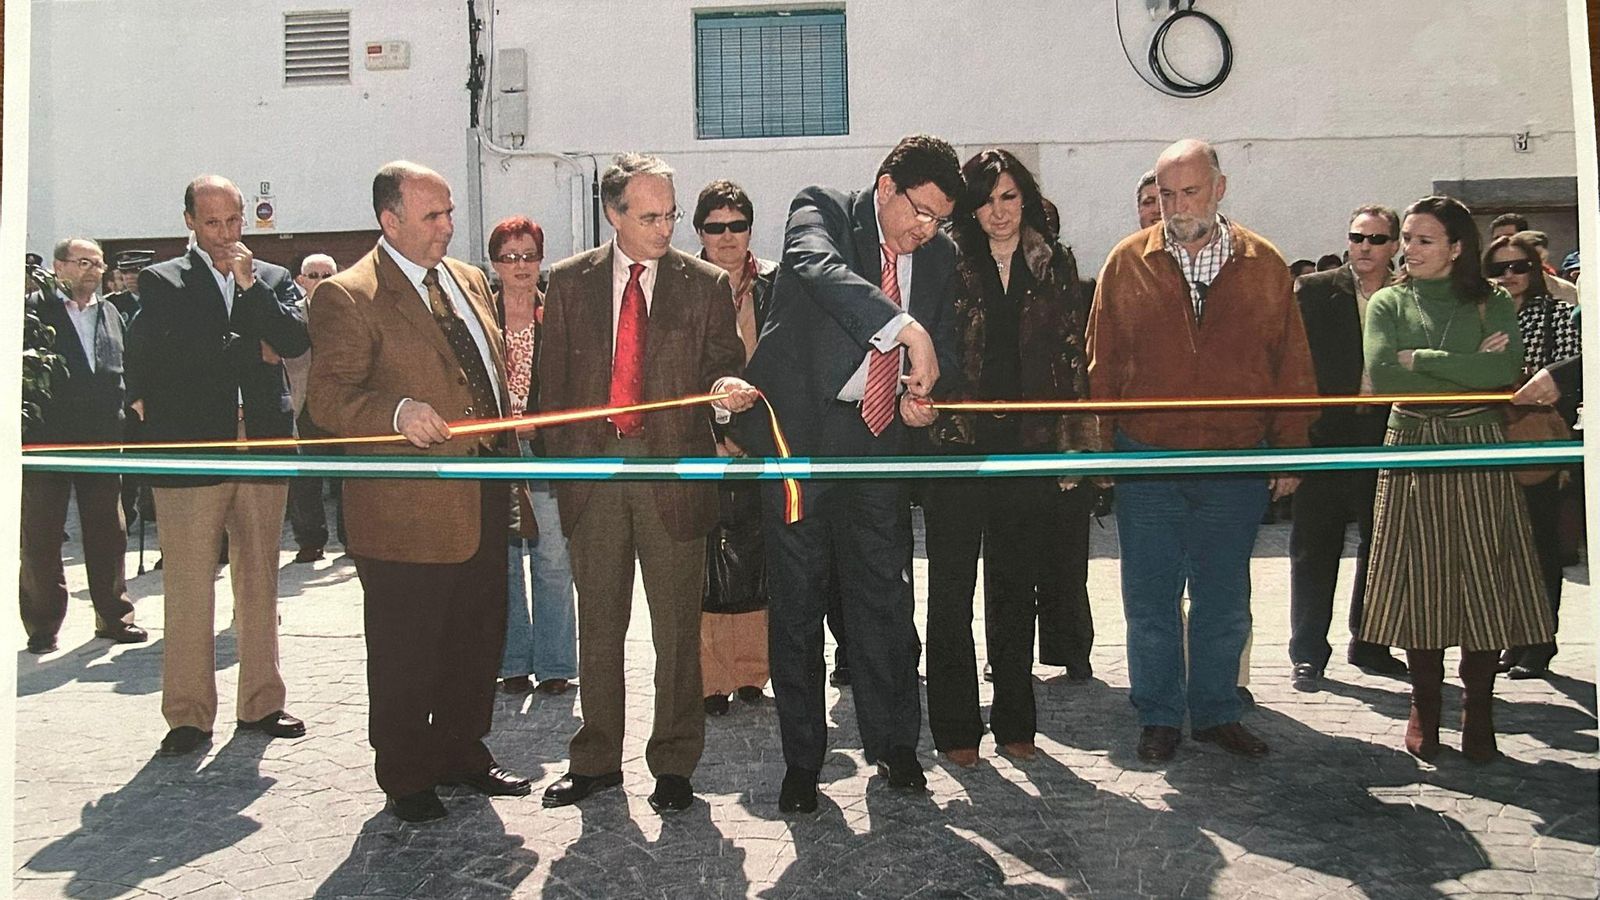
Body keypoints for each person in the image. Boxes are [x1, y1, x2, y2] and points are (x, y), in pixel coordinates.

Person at [738, 134, 963, 813]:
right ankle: (803, 763)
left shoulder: (941, 257)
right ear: (886, 187)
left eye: (939, 220)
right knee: (798, 604)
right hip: (800, 440)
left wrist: (926, 399)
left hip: (879, 440)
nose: (926, 231)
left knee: (885, 600)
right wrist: (902, 327)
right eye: (920, 212)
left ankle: (896, 747)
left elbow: (944, 348)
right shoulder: (823, 211)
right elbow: (817, 266)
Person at [307, 161, 530, 823]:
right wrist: (397, 413)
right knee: (407, 647)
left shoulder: (468, 280)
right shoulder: (348, 295)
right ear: (390, 220)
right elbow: (326, 399)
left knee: (476, 634)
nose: (447, 226)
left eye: (449, 212)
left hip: (483, 492)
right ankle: (405, 774)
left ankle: (463, 750)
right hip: (405, 511)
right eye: (432, 216)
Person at [1086, 139, 1317, 764]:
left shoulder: (1265, 264)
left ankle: (1217, 712)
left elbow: (1292, 364)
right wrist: (1100, 449)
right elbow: (1101, 365)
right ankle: (1159, 714)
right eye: (1166, 195)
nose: (1178, 206)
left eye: (1190, 192)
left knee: (1224, 597)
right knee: (1149, 598)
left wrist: (1290, 450)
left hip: (1234, 461)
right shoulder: (1126, 262)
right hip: (1147, 460)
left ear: (1220, 188)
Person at [538, 154, 755, 814]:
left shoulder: (705, 284)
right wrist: (565, 471)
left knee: (677, 633)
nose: (665, 228)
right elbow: (551, 387)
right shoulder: (568, 282)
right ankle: (596, 760)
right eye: (650, 216)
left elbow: (722, 367)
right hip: (594, 478)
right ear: (614, 213)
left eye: (670, 215)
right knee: (600, 628)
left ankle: (675, 763)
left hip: (673, 478)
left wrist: (726, 392)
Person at [1360, 195, 1554, 764]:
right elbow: (1385, 376)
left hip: (1478, 443)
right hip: (1412, 444)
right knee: (1420, 576)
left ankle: (1479, 710)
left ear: (1456, 248)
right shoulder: (1388, 301)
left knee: (1485, 574)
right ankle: (1424, 706)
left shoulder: (1492, 299)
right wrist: (1464, 363)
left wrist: (1422, 358)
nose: (1410, 249)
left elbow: (1504, 371)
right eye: (1407, 239)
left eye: (1424, 240)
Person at [922, 149, 1095, 768]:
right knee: (950, 591)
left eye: (1010, 197)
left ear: (1026, 199)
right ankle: (955, 728)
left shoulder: (1054, 262)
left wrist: (1076, 445)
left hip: (1028, 443)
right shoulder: (943, 259)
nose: (998, 212)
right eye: (986, 200)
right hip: (955, 445)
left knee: (1015, 588)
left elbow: (1072, 357)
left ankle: (1016, 719)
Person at [125, 175, 309, 757]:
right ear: (189, 222)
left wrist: (250, 290)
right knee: (187, 585)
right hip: (192, 448)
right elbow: (174, 357)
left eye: (234, 221)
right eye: (212, 223)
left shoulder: (271, 278)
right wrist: (254, 347)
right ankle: (187, 715)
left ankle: (262, 703)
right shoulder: (163, 280)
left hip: (262, 443)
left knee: (260, 580)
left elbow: (293, 340)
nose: (226, 234)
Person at [1287, 206, 1409, 690]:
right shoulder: (1315, 290)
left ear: (1394, 245)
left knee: (1382, 543)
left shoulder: (1408, 296)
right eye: (1358, 237)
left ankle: (1371, 642)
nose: (1365, 247)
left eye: (1377, 239)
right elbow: (1293, 362)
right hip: (1326, 434)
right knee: (1314, 547)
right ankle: (1307, 652)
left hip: (1386, 431)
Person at [20, 238, 147, 654]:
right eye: (83, 263)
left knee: (109, 530)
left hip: (102, 435)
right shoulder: (32, 311)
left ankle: (114, 616)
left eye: (98, 264)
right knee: (41, 535)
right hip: (46, 437)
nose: (93, 271)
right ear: (59, 267)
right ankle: (42, 624)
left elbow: (121, 366)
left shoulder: (109, 311)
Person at [691, 180, 778, 716]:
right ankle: (711, 678)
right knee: (709, 561)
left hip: (764, 436)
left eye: (737, 225)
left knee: (756, 556)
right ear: (699, 232)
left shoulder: (775, 283)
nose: (727, 236)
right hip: (704, 438)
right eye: (715, 227)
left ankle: (752, 672)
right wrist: (714, 434)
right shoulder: (683, 284)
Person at [487, 215, 579, 697]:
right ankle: (512, 662)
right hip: (496, 451)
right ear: (494, 263)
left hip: (545, 449)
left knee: (553, 559)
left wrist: (542, 423)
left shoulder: (557, 311)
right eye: (509, 257)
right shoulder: (479, 314)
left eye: (529, 255)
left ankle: (556, 664)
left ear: (542, 259)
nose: (520, 265)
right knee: (503, 561)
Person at [1483, 232, 1580, 679]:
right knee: (1502, 547)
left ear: (1535, 270)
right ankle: (1513, 635)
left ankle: (1540, 640)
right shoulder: (1479, 315)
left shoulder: (1556, 313)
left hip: (1536, 440)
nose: (1509, 275)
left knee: (1540, 545)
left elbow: (1570, 377)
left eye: (1519, 266)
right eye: (1498, 268)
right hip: (1487, 439)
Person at [280, 253, 344, 564]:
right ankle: (310, 541)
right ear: (301, 280)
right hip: (305, 405)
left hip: (342, 406)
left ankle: (351, 540)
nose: (320, 281)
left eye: (327, 275)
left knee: (347, 477)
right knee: (305, 479)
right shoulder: (290, 316)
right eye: (314, 275)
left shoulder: (350, 311)